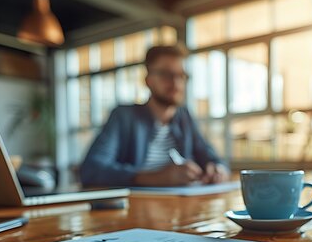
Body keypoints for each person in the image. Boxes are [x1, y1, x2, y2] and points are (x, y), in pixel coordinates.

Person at [80, 45, 229, 187]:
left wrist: (218, 169)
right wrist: (156, 177)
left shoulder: (184, 117)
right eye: (166, 74)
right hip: (135, 209)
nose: (176, 83)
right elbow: (91, 169)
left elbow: (213, 158)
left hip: (183, 207)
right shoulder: (123, 116)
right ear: (148, 80)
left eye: (181, 75)